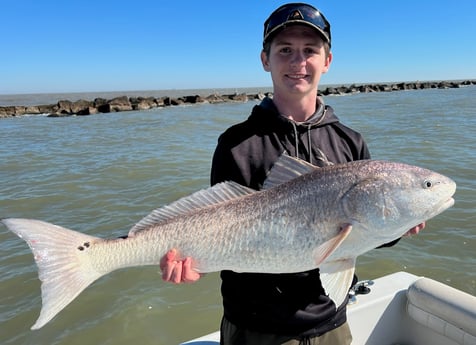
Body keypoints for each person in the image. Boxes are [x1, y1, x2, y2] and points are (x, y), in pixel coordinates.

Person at [160, 3, 425, 344]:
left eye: (309, 50)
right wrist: (189, 259)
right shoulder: (236, 144)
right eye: (285, 50)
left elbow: (365, 230)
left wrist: (399, 226)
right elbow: (218, 225)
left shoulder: (350, 142)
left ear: (327, 61)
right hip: (253, 329)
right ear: (265, 59)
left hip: (331, 324)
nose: (298, 62)